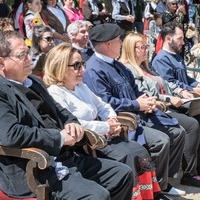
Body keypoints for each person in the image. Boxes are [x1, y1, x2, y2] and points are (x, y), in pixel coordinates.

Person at [0, 30, 134, 200]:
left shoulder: (34, 81)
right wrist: (59, 137)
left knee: (122, 174)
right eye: (21, 55)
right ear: (1, 63)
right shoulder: (2, 91)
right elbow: (11, 135)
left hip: (66, 157)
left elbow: (60, 111)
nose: (28, 58)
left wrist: (71, 122)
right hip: (35, 168)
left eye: (28, 53)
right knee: (97, 195)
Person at [43, 43, 161, 199]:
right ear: (60, 67)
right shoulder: (55, 93)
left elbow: (102, 105)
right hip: (86, 143)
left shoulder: (81, 86)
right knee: (128, 156)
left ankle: (148, 196)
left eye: (82, 64)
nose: (82, 69)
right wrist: (107, 127)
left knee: (139, 151)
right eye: (76, 65)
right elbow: (75, 124)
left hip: (104, 134)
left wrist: (111, 118)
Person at [83, 23, 186, 199]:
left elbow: (134, 90)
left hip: (139, 113)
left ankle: (162, 185)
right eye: (118, 40)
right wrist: (137, 105)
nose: (121, 43)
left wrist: (147, 100)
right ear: (108, 44)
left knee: (178, 131)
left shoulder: (117, 65)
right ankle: (157, 188)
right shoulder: (94, 69)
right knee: (161, 141)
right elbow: (106, 102)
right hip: (123, 120)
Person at [120, 32, 200, 187]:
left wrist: (181, 92)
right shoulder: (129, 70)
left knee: (197, 118)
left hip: (167, 105)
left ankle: (191, 169)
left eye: (146, 47)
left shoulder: (146, 67)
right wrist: (169, 99)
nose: (146, 50)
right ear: (131, 49)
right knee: (190, 125)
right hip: (151, 110)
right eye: (142, 47)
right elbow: (144, 95)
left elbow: (168, 84)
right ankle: (185, 174)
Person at [152, 21, 200, 94]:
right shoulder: (161, 60)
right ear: (168, 39)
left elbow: (185, 78)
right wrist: (191, 89)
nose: (183, 42)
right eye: (179, 38)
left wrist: (197, 84)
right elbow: (169, 83)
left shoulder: (176, 56)